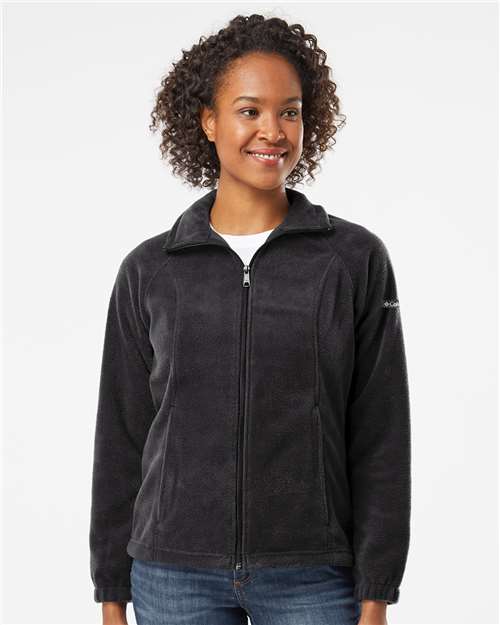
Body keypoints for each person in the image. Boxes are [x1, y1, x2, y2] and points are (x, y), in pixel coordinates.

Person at [89, 13, 411, 625]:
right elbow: (121, 435)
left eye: (289, 111)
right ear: (208, 121)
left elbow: (381, 432)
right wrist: (111, 590)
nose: (273, 131)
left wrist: (377, 590)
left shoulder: (353, 260)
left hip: (314, 575)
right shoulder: (151, 269)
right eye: (249, 110)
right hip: (172, 576)